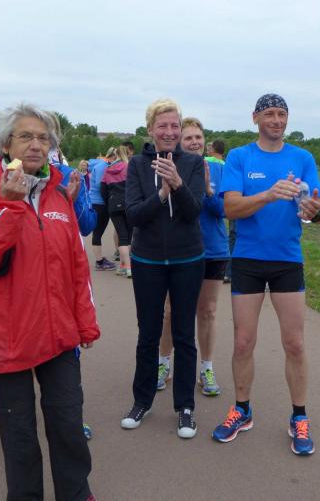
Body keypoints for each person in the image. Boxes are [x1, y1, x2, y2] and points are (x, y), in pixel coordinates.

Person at [0, 103, 99, 501]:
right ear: (6, 145)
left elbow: (77, 265)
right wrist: (9, 204)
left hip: (58, 335)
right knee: (19, 436)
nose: (36, 145)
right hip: (7, 336)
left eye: (43, 138)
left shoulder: (59, 194)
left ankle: (76, 492)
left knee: (68, 423)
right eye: (26, 136)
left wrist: (85, 323)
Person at [211, 93, 320, 456]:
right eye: (269, 114)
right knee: (243, 342)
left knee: (295, 344)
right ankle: (242, 409)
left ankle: (299, 416)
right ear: (255, 118)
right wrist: (268, 194)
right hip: (248, 259)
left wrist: (315, 211)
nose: (276, 120)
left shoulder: (302, 158)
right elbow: (230, 207)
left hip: (287, 260)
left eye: (281, 114)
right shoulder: (240, 157)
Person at [120, 99, 205, 439]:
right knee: (148, 333)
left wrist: (178, 185)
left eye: (174, 126)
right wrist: (161, 194)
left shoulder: (194, 163)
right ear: (150, 129)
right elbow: (133, 215)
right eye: (163, 126)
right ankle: (141, 401)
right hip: (148, 260)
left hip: (187, 259)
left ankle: (185, 407)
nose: (169, 132)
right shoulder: (138, 165)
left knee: (184, 334)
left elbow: (194, 211)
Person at [157, 117, 229, 396]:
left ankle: (206, 367)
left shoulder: (218, 169)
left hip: (212, 249)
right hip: (178, 249)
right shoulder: (169, 167)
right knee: (171, 311)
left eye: (198, 137)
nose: (194, 142)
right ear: (179, 141)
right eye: (188, 138)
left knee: (207, 310)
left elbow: (223, 210)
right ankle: (163, 363)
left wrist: (209, 191)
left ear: (205, 142)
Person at [101, 146, 132, 277]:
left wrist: (109, 202)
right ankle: (129, 267)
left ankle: (124, 266)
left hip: (113, 205)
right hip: (128, 204)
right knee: (129, 236)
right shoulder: (128, 167)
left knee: (122, 236)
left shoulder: (107, 170)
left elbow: (103, 190)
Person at [89, 149, 116, 270]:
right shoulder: (102, 166)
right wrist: (109, 201)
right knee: (98, 232)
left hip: (98, 202)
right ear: (112, 156)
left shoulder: (102, 165)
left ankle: (100, 260)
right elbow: (101, 185)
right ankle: (99, 262)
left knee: (98, 232)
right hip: (99, 203)